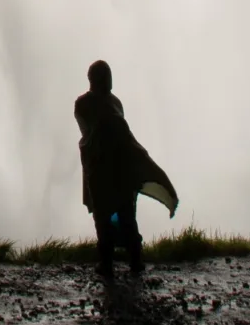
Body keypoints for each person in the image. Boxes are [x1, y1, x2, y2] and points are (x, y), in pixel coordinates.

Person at [75, 59, 178, 279]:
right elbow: (91, 130)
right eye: (104, 76)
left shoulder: (115, 103)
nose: (108, 81)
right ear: (93, 79)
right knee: (104, 218)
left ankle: (134, 260)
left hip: (120, 168)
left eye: (109, 76)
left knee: (126, 215)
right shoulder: (84, 103)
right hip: (100, 170)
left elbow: (119, 132)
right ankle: (108, 263)